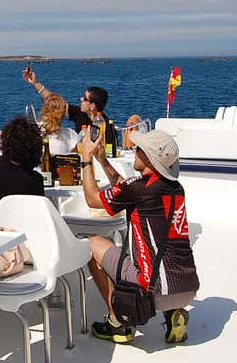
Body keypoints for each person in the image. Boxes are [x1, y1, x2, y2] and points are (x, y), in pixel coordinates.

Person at [79, 129, 199, 344]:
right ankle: (174, 314)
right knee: (165, 258)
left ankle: (118, 323)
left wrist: (86, 161)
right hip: (187, 287)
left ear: (149, 158)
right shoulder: (175, 188)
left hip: (153, 291)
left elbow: (91, 199)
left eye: (139, 149)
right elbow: (124, 188)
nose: (133, 149)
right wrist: (103, 161)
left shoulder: (139, 189)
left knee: (91, 244)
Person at [22, 66, 114, 139]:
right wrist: (36, 83)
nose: (81, 99)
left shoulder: (105, 125)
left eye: (85, 99)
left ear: (92, 106)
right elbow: (55, 101)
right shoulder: (80, 113)